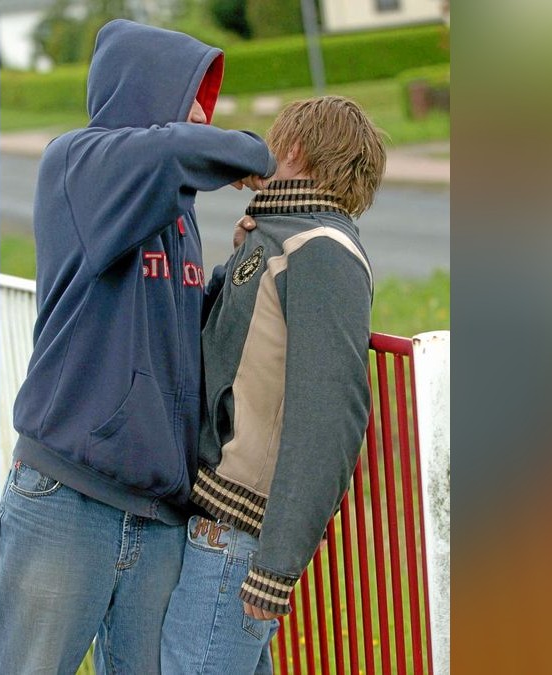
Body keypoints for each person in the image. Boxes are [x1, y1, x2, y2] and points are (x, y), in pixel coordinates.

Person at [0, 19, 276, 675]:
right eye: (191, 95)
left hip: (157, 517)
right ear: (145, 91)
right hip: (69, 498)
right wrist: (268, 160)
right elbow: (172, 151)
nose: (201, 113)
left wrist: (246, 266)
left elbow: (176, 325)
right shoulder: (78, 165)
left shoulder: (173, 211)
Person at [160, 96, 387, 674]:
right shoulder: (279, 238)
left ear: (294, 150)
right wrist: (239, 259)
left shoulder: (322, 251)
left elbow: (330, 415)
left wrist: (276, 566)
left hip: (237, 537)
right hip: (218, 525)